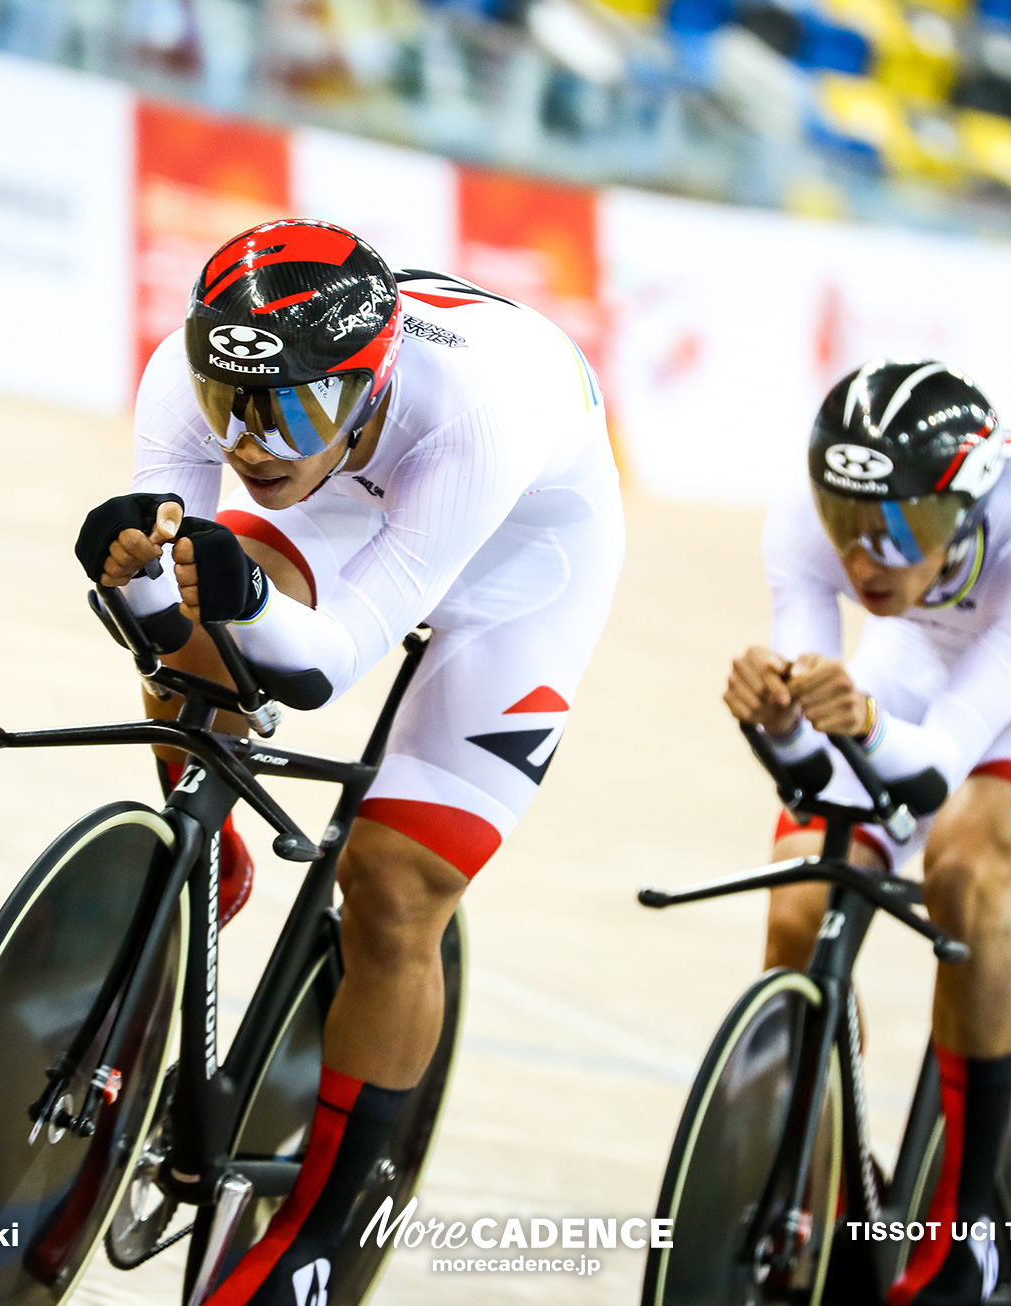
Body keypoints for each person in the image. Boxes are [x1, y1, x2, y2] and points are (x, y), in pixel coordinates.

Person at [73, 218, 624, 1304]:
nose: (257, 442)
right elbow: (171, 596)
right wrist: (138, 580)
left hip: (523, 571)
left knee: (393, 887)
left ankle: (324, 1236)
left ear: (369, 385)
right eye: (234, 406)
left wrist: (230, 591)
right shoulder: (199, 380)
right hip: (353, 500)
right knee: (199, 618)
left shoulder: (477, 408)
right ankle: (209, 847)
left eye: (295, 406)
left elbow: (327, 663)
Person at [723, 359, 1011, 1305]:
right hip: (916, 653)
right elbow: (822, 777)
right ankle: (837, 1187)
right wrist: (782, 721)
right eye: (848, 526)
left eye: (905, 527)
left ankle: (971, 1230)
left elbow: (937, 768)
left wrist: (859, 725)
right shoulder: (804, 511)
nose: (866, 558)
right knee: (798, 910)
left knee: (966, 872)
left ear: (970, 504)